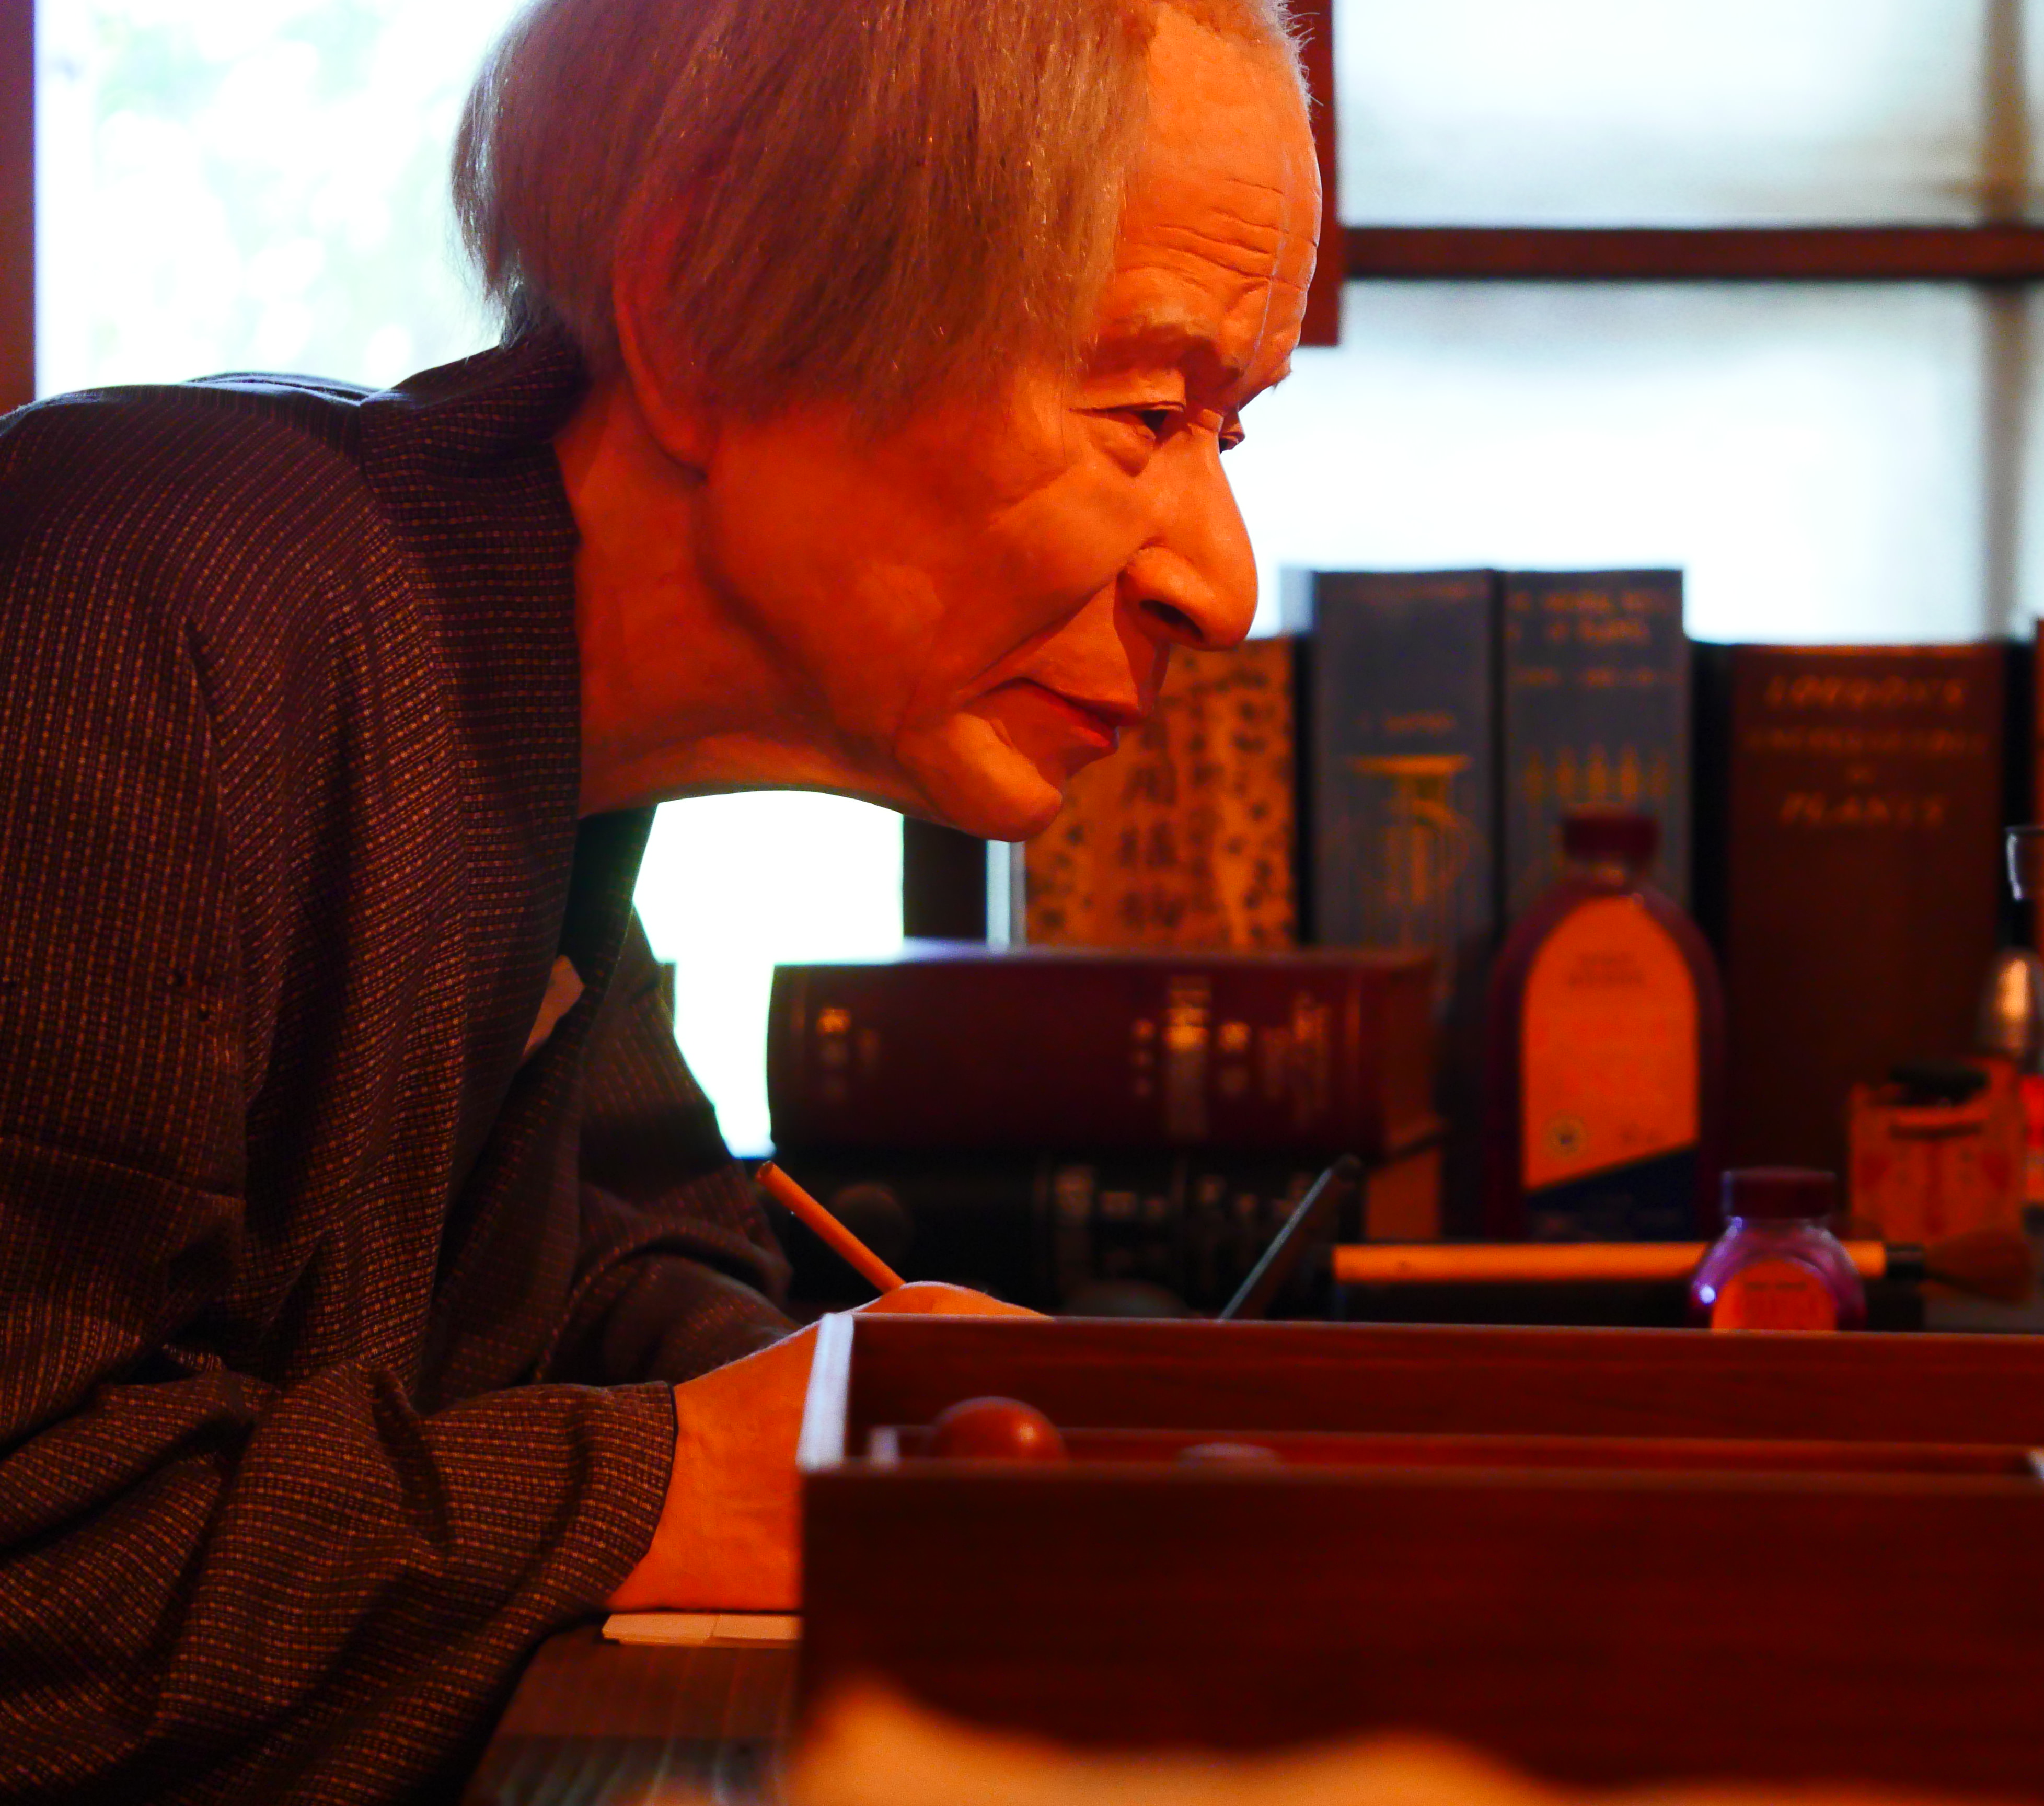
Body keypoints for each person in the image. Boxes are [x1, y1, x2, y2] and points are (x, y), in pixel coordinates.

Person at [0, 0, 1320, 1796]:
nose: (1222, 587)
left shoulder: (545, 745)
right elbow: (34, 1549)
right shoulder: (145, 606)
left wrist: (842, 1410)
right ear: (714, 304)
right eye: (1147, 409)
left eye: (1230, 434)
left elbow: (627, 1258)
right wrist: (676, 1487)